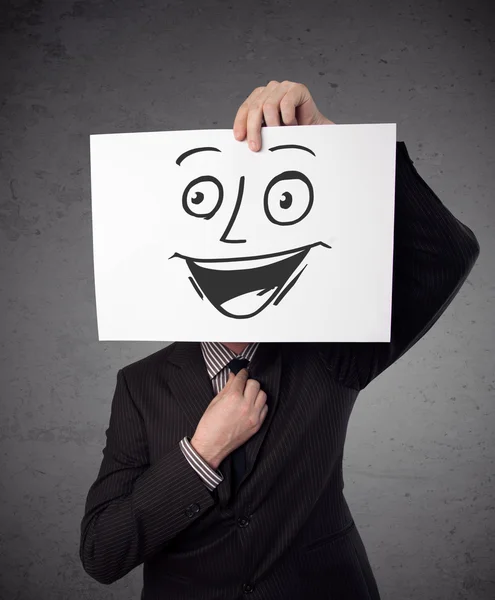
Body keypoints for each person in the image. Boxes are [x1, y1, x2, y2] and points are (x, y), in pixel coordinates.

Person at [79, 80, 480, 599]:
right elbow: (102, 552)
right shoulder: (140, 385)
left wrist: (339, 148)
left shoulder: (331, 348)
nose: (237, 240)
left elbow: (446, 254)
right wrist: (201, 452)